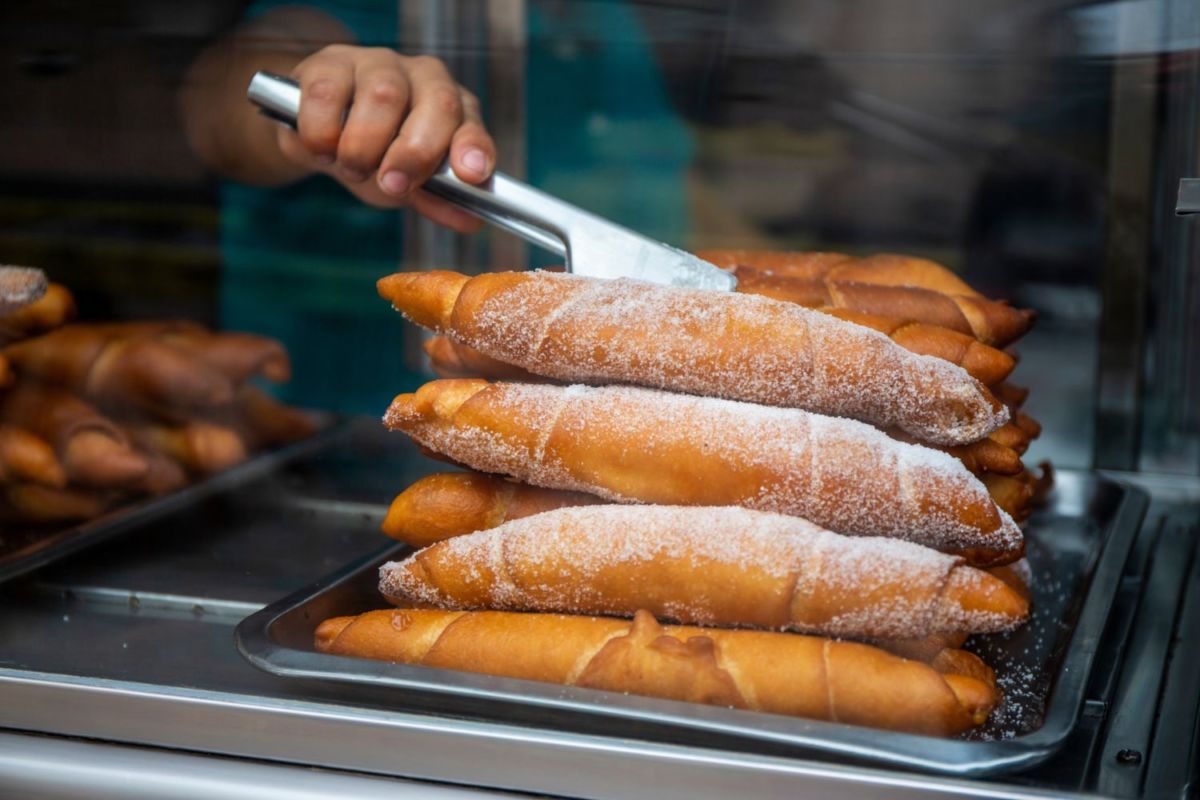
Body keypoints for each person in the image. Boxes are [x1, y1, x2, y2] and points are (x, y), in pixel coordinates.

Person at [181, 3, 694, 413]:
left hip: (606, 431)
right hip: (332, 429)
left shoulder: (609, 16)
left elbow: (661, 169)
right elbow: (222, 106)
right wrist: (332, 96)